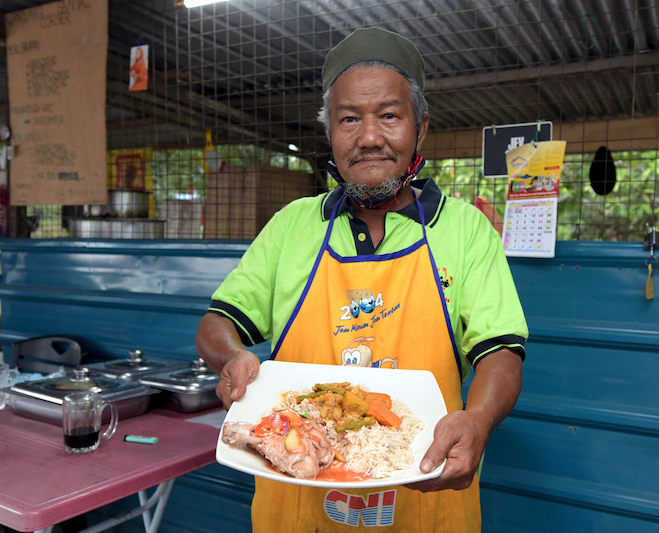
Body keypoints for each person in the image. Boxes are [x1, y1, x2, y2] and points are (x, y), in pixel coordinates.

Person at [195, 27, 528, 532]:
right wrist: (232, 357)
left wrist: (478, 420)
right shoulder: (292, 227)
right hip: (296, 506)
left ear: (420, 127)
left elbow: (501, 353)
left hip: (425, 496)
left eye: (390, 116)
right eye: (350, 118)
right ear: (331, 131)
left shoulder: (464, 229)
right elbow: (218, 322)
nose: (369, 137)